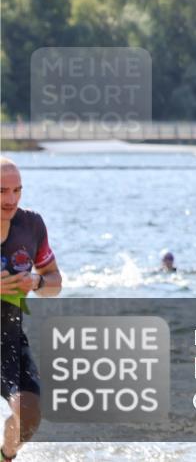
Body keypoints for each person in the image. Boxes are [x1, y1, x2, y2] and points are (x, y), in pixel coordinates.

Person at [1, 157, 63, 462]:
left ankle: (5, 454)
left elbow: (55, 283)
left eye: (17, 190)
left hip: (8, 338)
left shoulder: (31, 225)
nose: (10, 199)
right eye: (2, 191)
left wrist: (37, 281)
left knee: (30, 413)